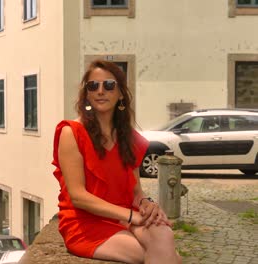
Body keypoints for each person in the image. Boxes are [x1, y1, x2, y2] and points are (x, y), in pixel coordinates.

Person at [52, 59, 181, 264]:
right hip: (85, 223)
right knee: (164, 256)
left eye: (109, 85)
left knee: (164, 234)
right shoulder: (71, 132)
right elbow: (78, 196)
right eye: (93, 86)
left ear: (120, 93)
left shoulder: (128, 137)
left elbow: (136, 192)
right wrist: (132, 216)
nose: (100, 91)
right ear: (87, 94)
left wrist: (148, 205)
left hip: (124, 216)